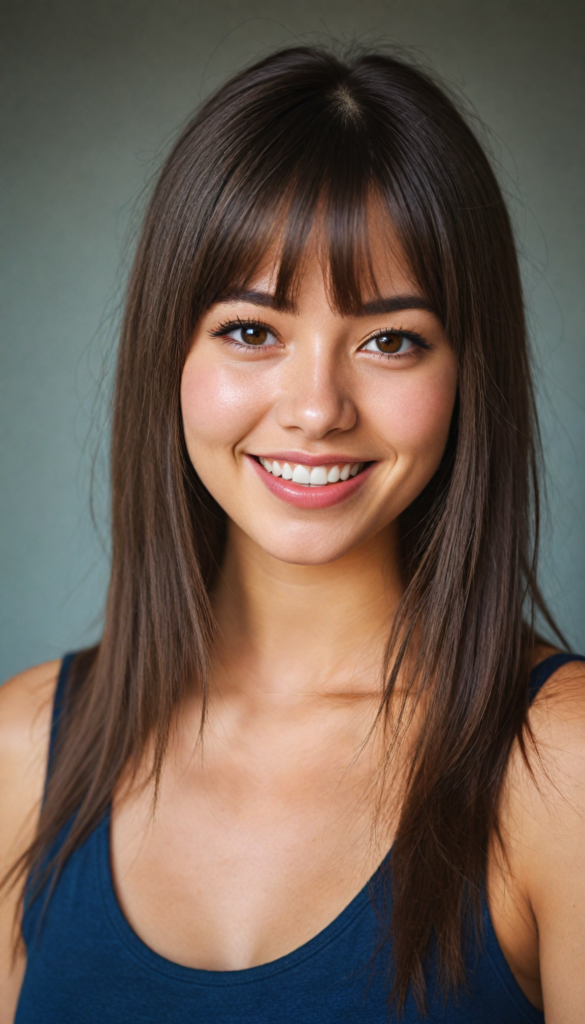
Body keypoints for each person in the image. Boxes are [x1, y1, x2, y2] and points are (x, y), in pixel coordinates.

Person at [0, 45, 583, 1023]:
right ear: (170, 354)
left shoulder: (559, 766)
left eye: (391, 339)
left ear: (466, 372)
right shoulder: (20, 752)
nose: (316, 408)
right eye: (251, 330)